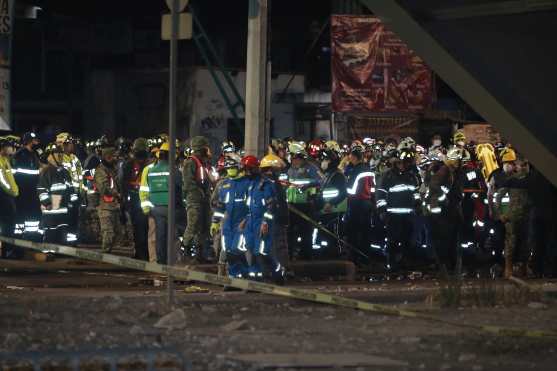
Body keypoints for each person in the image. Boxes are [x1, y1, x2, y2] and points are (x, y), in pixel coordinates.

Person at [423, 147, 466, 277]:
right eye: (458, 160)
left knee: (451, 240)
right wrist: (444, 199)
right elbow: (434, 187)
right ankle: (444, 266)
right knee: (444, 240)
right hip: (443, 213)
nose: (459, 163)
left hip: (450, 211)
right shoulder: (444, 171)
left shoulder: (453, 172)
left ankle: (450, 267)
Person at [376, 148, 421, 271]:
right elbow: (380, 194)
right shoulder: (388, 176)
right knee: (393, 240)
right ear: (396, 162)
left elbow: (415, 192)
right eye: (401, 162)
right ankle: (392, 264)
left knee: (408, 240)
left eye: (406, 163)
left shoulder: (411, 176)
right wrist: (382, 211)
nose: (404, 165)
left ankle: (406, 262)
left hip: (408, 214)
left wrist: (417, 204)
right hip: (393, 215)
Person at [140, 143, 183, 265]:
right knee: (174, 237)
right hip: (171, 207)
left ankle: (160, 263)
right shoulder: (173, 170)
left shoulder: (151, 170)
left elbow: (146, 189)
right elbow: (181, 188)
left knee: (160, 237)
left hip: (156, 208)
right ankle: (172, 263)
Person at [212, 156, 251, 278]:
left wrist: (248, 220)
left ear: (238, 167)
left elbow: (253, 205)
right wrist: (215, 222)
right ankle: (231, 278)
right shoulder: (223, 185)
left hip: (242, 223)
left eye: (232, 168)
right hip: (227, 223)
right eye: (228, 168)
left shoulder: (247, 183)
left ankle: (244, 276)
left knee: (238, 249)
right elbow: (220, 205)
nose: (230, 170)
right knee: (227, 249)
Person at [242, 155, 278, 280]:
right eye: (245, 169)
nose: (247, 172)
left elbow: (271, 206)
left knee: (262, 251)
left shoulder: (265, 185)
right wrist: (245, 220)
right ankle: (255, 278)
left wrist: (265, 222)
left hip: (261, 222)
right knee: (251, 250)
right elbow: (249, 205)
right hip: (250, 222)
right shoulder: (250, 185)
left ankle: (277, 271)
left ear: (256, 169)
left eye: (249, 169)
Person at [286, 142, 324, 260]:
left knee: (306, 233)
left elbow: (322, 180)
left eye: (295, 158)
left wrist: (308, 185)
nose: (293, 160)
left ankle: (306, 257)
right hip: (292, 206)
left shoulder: (311, 168)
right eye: (292, 158)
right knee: (290, 233)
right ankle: (290, 255)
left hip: (306, 205)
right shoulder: (290, 169)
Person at [495, 157, 531, 278]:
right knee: (511, 243)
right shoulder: (511, 180)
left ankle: (524, 268)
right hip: (512, 217)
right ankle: (508, 269)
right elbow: (498, 197)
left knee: (526, 243)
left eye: (526, 164)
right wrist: (500, 214)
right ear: (517, 166)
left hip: (527, 216)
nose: (525, 167)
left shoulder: (531, 180)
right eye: (522, 164)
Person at [182, 136, 213, 263]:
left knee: (204, 227)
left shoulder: (204, 163)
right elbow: (189, 183)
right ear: (201, 149)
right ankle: (186, 251)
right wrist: (200, 193)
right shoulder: (190, 162)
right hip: (194, 200)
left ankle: (200, 254)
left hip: (204, 200)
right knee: (193, 225)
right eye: (205, 148)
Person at [37, 143, 74, 245]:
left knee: (62, 233)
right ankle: (49, 253)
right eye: (58, 154)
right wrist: (47, 203)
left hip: (63, 209)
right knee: (51, 234)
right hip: (51, 210)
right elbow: (41, 189)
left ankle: (61, 252)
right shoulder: (46, 171)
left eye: (62, 154)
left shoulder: (65, 172)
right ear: (50, 156)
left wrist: (72, 202)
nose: (61, 157)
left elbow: (70, 188)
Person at [260, 153, 289, 278]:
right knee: (278, 247)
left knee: (268, 247)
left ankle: (271, 272)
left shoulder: (264, 182)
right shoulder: (271, 184)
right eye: (277, 169)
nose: (279, 172)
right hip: (274, 221)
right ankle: (280, 272)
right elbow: (276, 204)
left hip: (269, 221)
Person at [120, 138, 150, 260]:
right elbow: (123, 183)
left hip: (142, 200)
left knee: (143, 228)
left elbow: (123, 182)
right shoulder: (128, 165)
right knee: (139, 228)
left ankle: (143, 254)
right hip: (135, 199)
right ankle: (141, 253)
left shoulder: (147, 165)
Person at [12, 132, 42, 241]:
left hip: (32, 191)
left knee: (33, 216)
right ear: (29, 141)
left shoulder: (34, 155)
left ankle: (31, 238)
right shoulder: (20, 155)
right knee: (21, 216)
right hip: (22, 191)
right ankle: (18, 241)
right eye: (34, 141)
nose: (36, 143)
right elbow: (14, 174)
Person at [94, 146, 124, 253]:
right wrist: (117, 194)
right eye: (113, 156)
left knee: (117, 233)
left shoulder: (113, 169)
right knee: (108, 234)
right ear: (107, 157)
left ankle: (107, 255)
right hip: (105, 206)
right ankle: (103, 258)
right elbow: (103, 188)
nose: (115, 158)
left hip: (114, 206)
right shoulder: (101, 170)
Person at [0, 136, 20, 258]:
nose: (12, 149)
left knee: (8, 224)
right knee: (7, 223)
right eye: (9, 146)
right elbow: (2, 180)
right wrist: (12, 191)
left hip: (9, 195)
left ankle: (7, 250)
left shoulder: (5, 160)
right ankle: (6, 251)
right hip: (4, 195)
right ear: (3, 147)